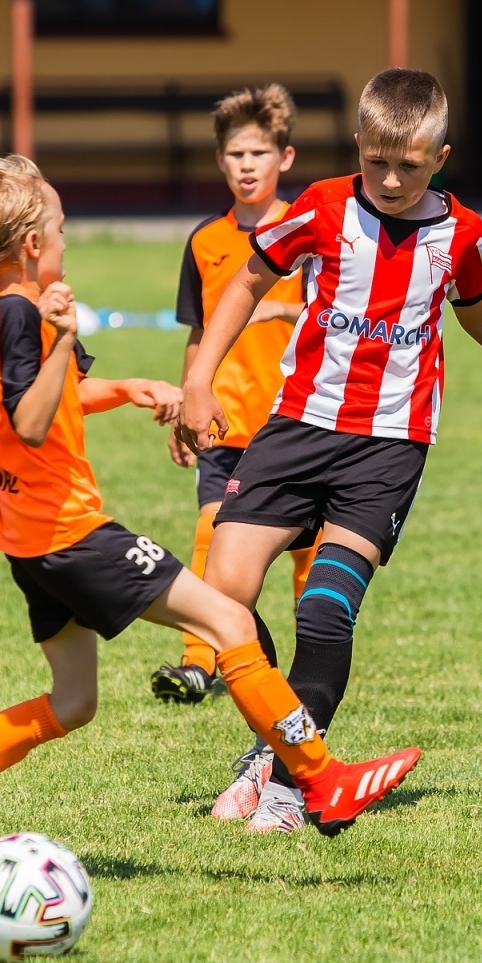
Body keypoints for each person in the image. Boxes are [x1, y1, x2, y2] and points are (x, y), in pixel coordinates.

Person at [0, 153, 422, 879]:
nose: (66, 243)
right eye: (59, 230)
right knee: (230, 622)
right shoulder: (28, 317)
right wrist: (64, 335)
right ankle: (318, 777)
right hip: (71, 534)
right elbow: (30, 422)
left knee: (73, 701)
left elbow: (45, 401)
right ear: (32, 245)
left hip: (27, 538)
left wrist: (126, 388)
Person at [176, 69, 482, 833]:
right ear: (358, 145)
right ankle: (277, 742)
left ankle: (290, 782)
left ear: (440, 157)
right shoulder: (320, 207)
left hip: (387, 449)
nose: (389, 179)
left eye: (409, 166)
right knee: (226, 593)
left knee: (324, 611)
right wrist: (197, 378)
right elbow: (249, 281)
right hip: (296, 429)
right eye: (376, 161)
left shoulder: (462, 235)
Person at [148, 84, 316, 727]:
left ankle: (307, 666)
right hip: (224, 423)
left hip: (297, 421)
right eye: (235, 153)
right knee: (209, 536)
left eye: (259, 152)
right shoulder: (205, 241)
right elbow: (198, 331)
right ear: (220, 162)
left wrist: (281, 305)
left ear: (286, 158)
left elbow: (338, 313)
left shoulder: (307, 230)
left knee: (309, 550)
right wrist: (189, 396)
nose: (247, 164)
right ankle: (199, 659)